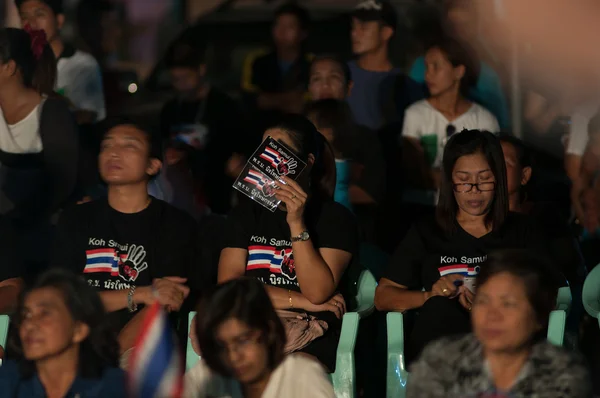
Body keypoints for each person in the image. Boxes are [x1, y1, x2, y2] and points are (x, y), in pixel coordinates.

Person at [374, 130, 564, 364]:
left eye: (484, 179)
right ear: (450, 182)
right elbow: (383, 296)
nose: (474, 190)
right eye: (463, 181)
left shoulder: (523, 231)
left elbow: (549, 294)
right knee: (439, 308)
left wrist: (492, 302)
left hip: (505, 347)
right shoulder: (427, 231)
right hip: (443, 353)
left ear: (499, 179)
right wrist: (430, 295)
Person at [218, 115, 359, 372]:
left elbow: (318, 292)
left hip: (308, 333)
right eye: (263, 152)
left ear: (306, 163)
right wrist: (301, 300)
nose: (267, 163)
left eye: (277, 152)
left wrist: (296, 223)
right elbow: (230, 289)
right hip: (249, 325)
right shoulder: (245, 214)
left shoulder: (334, 218)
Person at [50, 117, 196, 360]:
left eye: (129, 146)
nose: (114, 153)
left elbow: (164, 302)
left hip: (140, 347)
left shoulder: (175, 224)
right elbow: (63, 298)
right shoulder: (75, 218)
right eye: (107, 146)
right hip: (77, 342)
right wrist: (138, 294)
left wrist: (109, 365)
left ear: (152, 165)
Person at [407, 249, 592, 398]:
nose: (492, 315)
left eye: (508, 304)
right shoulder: (440, 362)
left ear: (540, 315)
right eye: (483, 301)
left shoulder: (563, 376)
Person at [0, 27, 78, 279]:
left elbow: (62, 181)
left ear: (9, 67)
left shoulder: (51, 113)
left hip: (40, 240)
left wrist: (15, 221)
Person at [184, 278, 335, 398]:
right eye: (221, 345)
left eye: (243, 341)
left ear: (268, 332)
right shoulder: (208, 374)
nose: (234, 356)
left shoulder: (302, 374)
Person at [0, 269, 126, 397]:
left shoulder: (115, 386)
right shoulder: (9, 379)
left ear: (79, 329)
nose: (29, 324)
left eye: (45, 314)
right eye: (26, 315)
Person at [160, 36, 247, 216]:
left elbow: (234, 148)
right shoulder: (170, 109)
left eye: (186, 77)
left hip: (215, 190)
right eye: (176, 79)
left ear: (201, 70)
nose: (181, 83)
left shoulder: (223, 105)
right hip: (178, 190)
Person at [402, 37, 500, 187]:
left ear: (459, 71)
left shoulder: (484, 120)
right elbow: (412, 169)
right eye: (427, 67)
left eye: (436, 67)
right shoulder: (415, 114)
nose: (428, 75)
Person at [409, 0, 510, 130]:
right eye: (453, 27)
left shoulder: (488, 76)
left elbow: (501, 126)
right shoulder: (421, 67)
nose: (458, 34)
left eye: (464, 26)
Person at [500, 135, 585, 286]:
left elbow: (570, 269)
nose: (494, 169)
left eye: (505, 163)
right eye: (489, 161)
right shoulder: (472, 220)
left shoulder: (544, 216)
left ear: (524, 175)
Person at [16, 0, 106, 123]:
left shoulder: (82, 64)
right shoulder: (17, 66)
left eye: (39, 15)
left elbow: (87, 115)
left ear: (59, 20)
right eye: (24, 17)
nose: (31, 24)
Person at [347, 0, 423, 131]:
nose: (354, 33)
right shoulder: (340, 74)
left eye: (363, 28)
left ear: (386, 32)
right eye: (353, 27)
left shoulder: (403, 84)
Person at [241, 3, 313, 131]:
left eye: (289, 26)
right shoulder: (257, 61)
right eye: (278, 25)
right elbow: (253, 100)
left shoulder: (313, 64)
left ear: (303, 33)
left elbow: (305, 104)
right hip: (262, 134)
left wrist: (270, 100)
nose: (282, 31)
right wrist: (289, 99)